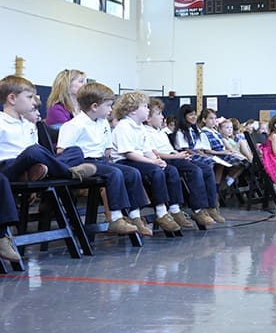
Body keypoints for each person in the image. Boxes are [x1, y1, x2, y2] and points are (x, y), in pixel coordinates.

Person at [58, 82, 151, 236]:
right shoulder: (74, 125)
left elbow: (107, 149)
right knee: (114, 173)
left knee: (133, 172)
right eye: (108, 105)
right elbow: (62, 151)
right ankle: (116, 218)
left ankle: (135, 216)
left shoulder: (103, 124)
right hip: (83, 163)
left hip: (100, 160)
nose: (111, 109)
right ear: (95, 106)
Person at [0, 75, 96, 184]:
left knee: (75, 150)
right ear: (12, 99)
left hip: (32, 165)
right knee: (34, 150)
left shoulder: (28, 124)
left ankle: (36, 173)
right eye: (29, 97)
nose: (33, 102)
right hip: (7, 167)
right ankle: (69, 173)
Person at [110, 92, 183, 234]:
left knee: (169, 170)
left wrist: (158, 160)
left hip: (140, 159)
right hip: (125, 161)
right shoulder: (124, 126)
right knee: (154, 171)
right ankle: (159, 212)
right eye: (144, 106)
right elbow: (129, 153)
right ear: (132, 110)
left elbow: (147, 149)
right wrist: (152, 162)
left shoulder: (140, 127)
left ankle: (174, 209)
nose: (148, 109)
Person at [144, 98, 217, 227]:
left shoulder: (160, 132)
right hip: (167, 159)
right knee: (195, 170)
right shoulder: (145, 132)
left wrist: (181, 156)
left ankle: (211, 206)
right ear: (148, 118)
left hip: (174, 156)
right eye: (159, 114)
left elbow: (170, 149)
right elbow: (155, 153)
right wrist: (177, 156)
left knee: (207, 168)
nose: (163, 117)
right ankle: (197, 209)